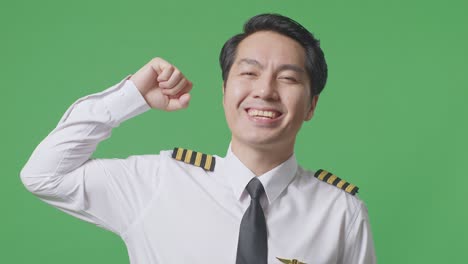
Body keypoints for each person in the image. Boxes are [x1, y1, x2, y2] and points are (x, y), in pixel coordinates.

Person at [20, 13, 376, 264]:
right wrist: (129, 97)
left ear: (311, 105)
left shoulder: (341, 212)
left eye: (287, 78)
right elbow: (44, 175)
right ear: (225, 91)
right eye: (249, 72)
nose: (265, 91)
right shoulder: (157, 182)